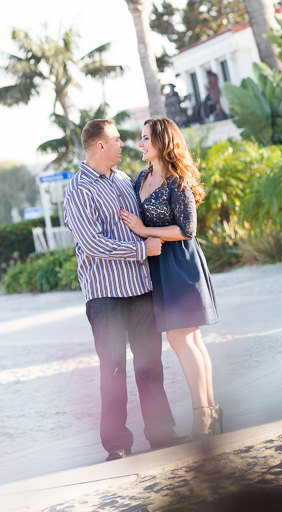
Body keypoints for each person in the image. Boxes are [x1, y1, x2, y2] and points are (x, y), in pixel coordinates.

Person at [63, 119, 187, 461]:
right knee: (113, 370)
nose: (123, 145)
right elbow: (92, 244)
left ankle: (161, 434)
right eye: (117, 140)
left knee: (151, 367)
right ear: (100, 145)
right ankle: (116, 444)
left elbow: (142, 225)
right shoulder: (78, 190)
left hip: (140, 289)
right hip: (105, 296)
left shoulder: (123, 180)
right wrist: (140, 250)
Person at [119, 117, 222, 438]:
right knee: (190, 340)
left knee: (184, 340)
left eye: (146, 138)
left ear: (162, 141)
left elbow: (187, 229)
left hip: (180, 264)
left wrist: (144, 230)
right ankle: (211, 411)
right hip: (159, 267)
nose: (140, 143)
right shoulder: (141, 177)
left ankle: (203, 415)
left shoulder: (177, 180)